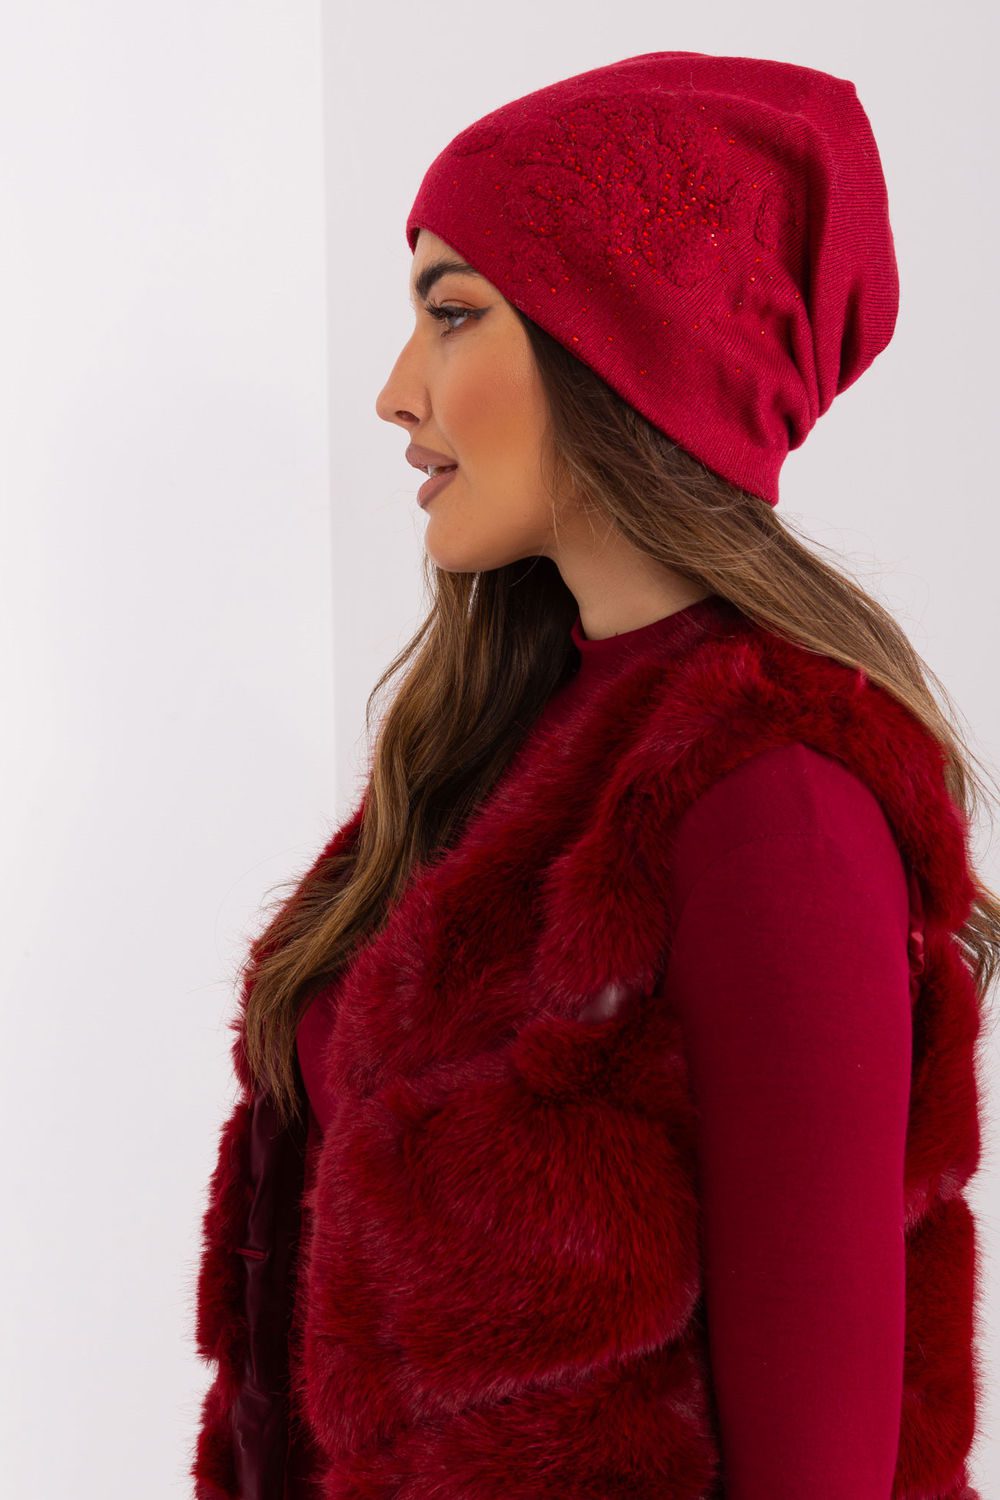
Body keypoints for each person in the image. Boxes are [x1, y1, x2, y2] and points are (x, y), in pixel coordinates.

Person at [189, 53, 997, 1500]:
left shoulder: (776, 806)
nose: (394, 392)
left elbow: (821, 1466)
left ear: (623, 351)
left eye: (452, 313)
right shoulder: (503, 742)